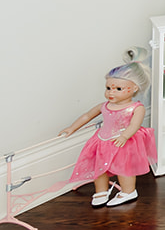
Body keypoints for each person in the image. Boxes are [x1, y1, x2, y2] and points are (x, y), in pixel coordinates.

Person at [59, 62, 156, 207]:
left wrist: (124, 136)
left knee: (125, 168)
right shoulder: (104, 106)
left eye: (118, 89)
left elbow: (134, 125)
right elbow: (87, 116)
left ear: (134, 88)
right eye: (108, 88)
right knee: (100, 168)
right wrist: (72, 128)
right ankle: (101, 191)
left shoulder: (136, 108)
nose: (111, 92)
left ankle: (128, 191)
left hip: (124, 142)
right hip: (102, 140)